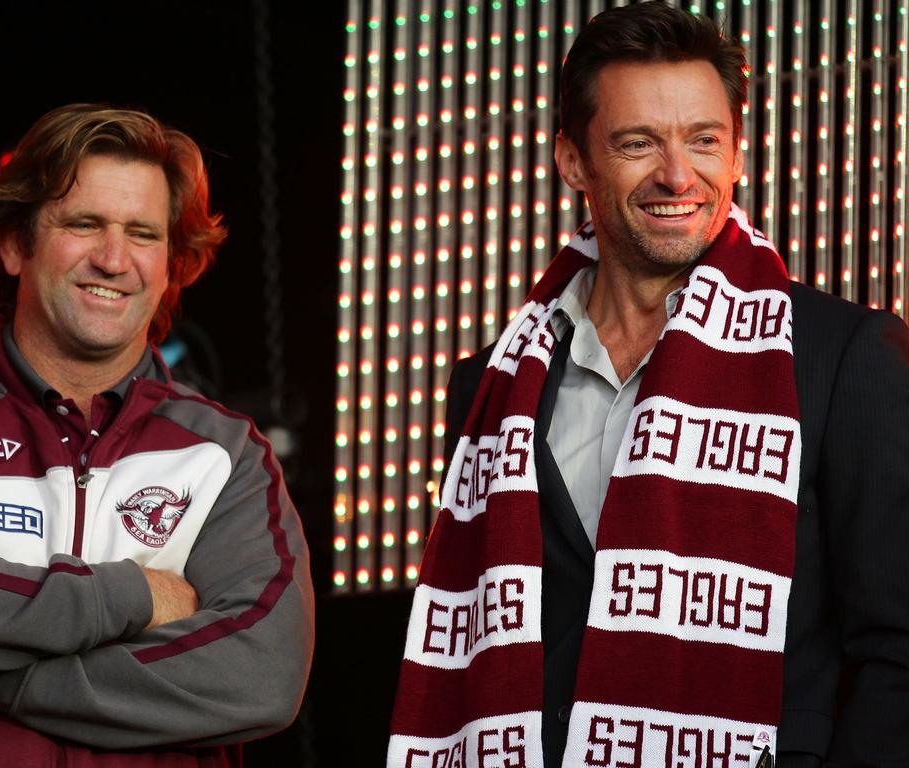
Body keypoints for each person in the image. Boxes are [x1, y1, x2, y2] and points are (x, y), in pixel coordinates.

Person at [388, 3, 909, 767]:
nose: (676, 174)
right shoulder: (490, 387)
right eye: (638, 144)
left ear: (735, 154)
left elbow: (898, 652)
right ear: (572, 161)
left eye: (704, 141)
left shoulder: (844, 355)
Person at [0, 104, 314, 767]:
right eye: (83, 224)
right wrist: (141, 595)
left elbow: (261, 674)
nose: (114, 259)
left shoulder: (225, 456)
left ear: (171, 263)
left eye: (143, 233)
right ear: (12, 243)